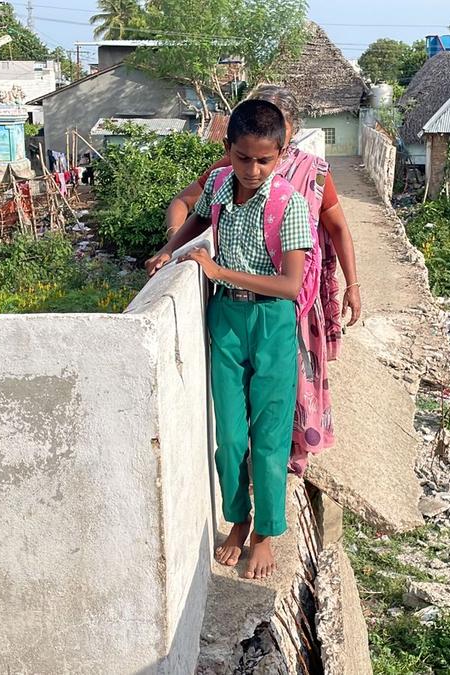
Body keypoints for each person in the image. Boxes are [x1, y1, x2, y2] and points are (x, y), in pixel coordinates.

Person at [147, 86, 362, 476]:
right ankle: (250, 473)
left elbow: (338, 228)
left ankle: (287, 459)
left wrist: (354, 285)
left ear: (286, 136)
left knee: (292, 384)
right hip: (236, 305)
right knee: (243, 403)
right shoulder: (229, 172)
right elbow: (191, 207)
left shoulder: (310, 172)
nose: (254, 165)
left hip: (294, 294)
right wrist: (173, 246)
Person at [164, 100, 310, 579]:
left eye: (264, 159)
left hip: (271, 323)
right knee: (229, 437)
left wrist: (218, 270)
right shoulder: (222, 187)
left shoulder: (289, 204)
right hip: (225, 318)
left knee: (267, 439)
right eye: (243, 157)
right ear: (228, 149)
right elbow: (197, 219)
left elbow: (290, 285)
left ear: (282, 154)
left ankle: (266, 533)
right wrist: (168, 250)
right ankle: (239, 521)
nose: (252, 169)